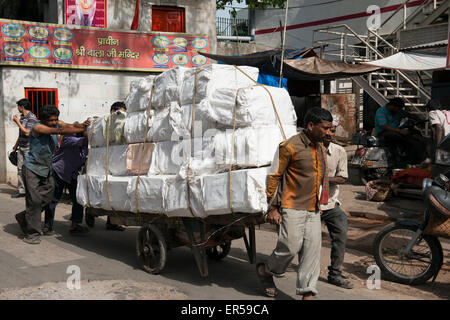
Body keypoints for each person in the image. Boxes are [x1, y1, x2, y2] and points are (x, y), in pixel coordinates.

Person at [256, 107, 333, 300]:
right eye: (325, 128)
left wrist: (321, 203)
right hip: (291, 206)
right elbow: (275, 176)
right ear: (310, 126)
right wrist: (272, 208)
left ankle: (308, 294)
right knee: (289, 248)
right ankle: (266, 270)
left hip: (314, 209)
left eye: (330, 128)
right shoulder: (289, 146)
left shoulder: (321, 148)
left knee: (312, 253)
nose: (328, 132)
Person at [15, 105, 88, 244]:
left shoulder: (56, 123)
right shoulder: (38, 127)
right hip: (32, 168)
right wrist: (84, 130)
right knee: (35, 202)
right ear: (42, 119)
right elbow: (59, 130)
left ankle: (25, 216)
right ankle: (32, 234)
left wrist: (85, 124)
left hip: (46, 169)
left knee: (48, 199)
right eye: (51, 120)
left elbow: (69, 125)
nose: (55, 122)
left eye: (56, 119)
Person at [321, 117, 353, 289]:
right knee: (299, 241)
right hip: (309, 203)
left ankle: (335, 273)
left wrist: (323, 180)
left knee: (340, 234)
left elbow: (342, 177)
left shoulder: (339, 151)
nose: (329, 133)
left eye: (332, 131)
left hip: (330, 202)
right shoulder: (310, 149)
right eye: (326, 130)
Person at [84, 101, 126, 231]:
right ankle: (90, 210)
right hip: (101, 159)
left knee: (114, 192)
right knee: (100, 188)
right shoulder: (105, 121)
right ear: (112, 111)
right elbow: (93, 122)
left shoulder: (123, 122)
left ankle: (111, 222)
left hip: (117, 159)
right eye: (120, 111)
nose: (122, 114)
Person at [43, 129, 89, 236]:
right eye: (89, 131)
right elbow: (84, 141)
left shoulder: (88, 145)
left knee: (78, 199)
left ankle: (74, 225)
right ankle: (47, 226)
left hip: (72, 174)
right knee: (53, 200)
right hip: (59, 172)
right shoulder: (69, 137)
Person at [374, 97, 425, 165]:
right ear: (392, 106)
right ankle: (400, 158)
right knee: (400, 137)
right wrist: (399, 131)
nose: (399, 110)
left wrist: (419, 120)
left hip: (396, 131)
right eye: (398, 109)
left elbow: (409, 115)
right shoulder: (381, 111)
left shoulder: (399, 112)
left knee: (414, 136)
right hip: (383, 132)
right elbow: (384, 126)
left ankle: (414, 158)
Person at [11, 98, 38, 198]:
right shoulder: (22, 117)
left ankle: (31, 191)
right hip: (21, 147)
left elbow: (27, 132)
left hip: (29, 148)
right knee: (19, 169)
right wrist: (16, 144)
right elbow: (21, 133)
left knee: (29, 170)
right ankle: (22, 191)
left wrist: (17, 122)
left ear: (22, 107)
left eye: (18, 106)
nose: (17, 108)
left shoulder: (32, 117)